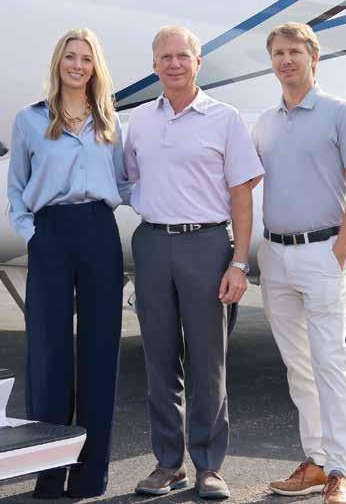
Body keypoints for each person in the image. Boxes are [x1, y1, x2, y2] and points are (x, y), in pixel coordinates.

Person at [124, 25, 263, 500]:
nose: (174, 64)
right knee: (159, 361)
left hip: (206, 244)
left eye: (183, 55)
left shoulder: (225, 118)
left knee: (208, 362)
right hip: (152, 244)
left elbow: (241, 194)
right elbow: (131, 177)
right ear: (154, 65)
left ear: (198, 63)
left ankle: (209, 466)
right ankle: (169, 464)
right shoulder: (140, 121)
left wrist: (239, 263)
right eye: (165, 57)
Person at [6, 28, 130, 499]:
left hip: (99, 230)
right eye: (70, 57)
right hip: (51, 233)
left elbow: (125, 182)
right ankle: (48, 472)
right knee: (48, 353)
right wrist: (32, 234)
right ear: (58, 62)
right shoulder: (29, 120)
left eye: (86, 58)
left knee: (99, 353)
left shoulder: (109, 122)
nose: (78, 65)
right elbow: (16, 187)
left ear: (95, 68)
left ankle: (90, 476)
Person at [254, 22, 346, 504]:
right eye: (278, 53)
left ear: (313, 58)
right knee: (297, 366)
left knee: (329, 362)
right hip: (274, 255)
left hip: (322, 252)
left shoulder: (341, 113)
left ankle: (340, 471)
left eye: (294, 52)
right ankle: (316, 461)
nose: (286, 60)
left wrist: (339, 250)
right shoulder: (264, 123)